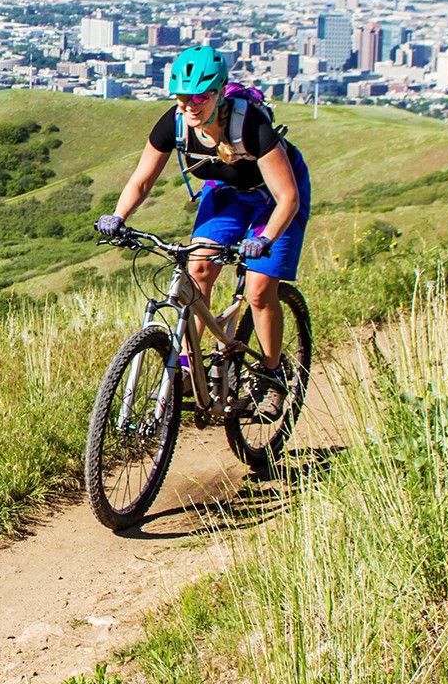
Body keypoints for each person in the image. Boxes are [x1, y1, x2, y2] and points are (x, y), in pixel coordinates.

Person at [95, 45, 311, 419]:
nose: (190, 105)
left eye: (200, 96)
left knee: (260, 290)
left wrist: (265, 239)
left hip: (275, 200)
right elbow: (142, 180)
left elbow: (287, 196)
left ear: (220, 93)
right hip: (227, 194)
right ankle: (186, 369)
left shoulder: (251, 126)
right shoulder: (174, 124)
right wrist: (118, 216)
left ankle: (272, 375)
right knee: (197, 270)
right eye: (182, 97)